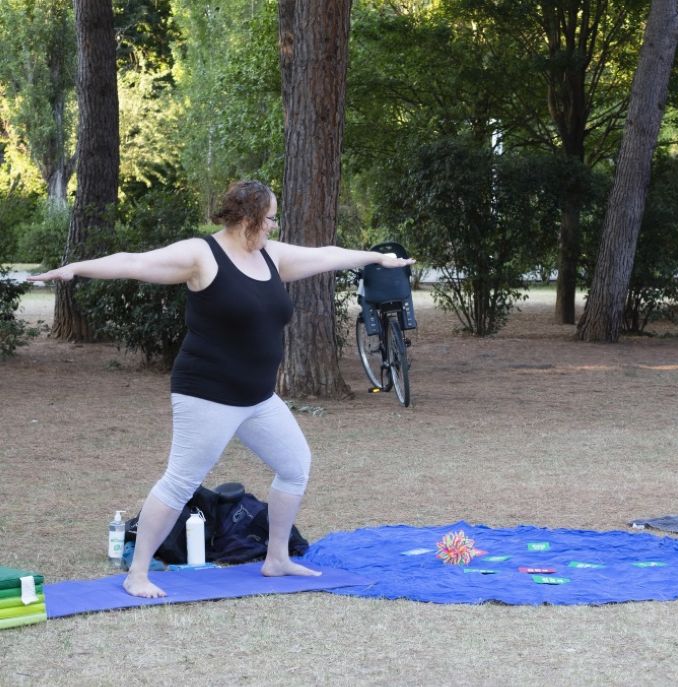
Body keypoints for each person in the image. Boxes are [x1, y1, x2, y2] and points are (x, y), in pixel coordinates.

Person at [30, 180, 414, 597]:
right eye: (270, 218)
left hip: (258, 397)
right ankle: (137, 573)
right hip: (207, 394)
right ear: (249, 217)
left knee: (295, 466)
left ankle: (277, 558)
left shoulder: (270, 256)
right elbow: (135, 262)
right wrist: (76, 268)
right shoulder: (202, 255)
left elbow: (325, 256)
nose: (274, 225)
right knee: (180, 481)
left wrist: (376, 258)